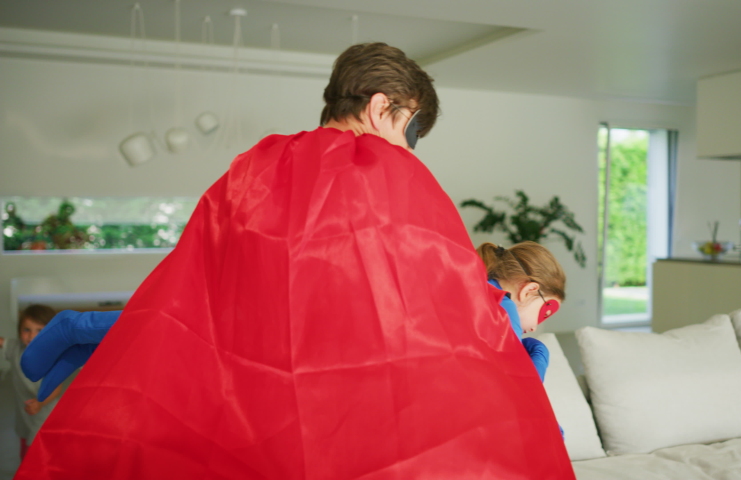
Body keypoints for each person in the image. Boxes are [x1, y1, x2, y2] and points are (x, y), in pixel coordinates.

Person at [17, 43, 573, 479]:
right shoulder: (390, 173)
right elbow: (429, 295)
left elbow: (201, 279)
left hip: (247, 377)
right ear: (383, 108)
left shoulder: (255, 163)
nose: (411, 147)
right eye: (413, 130)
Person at [477, 242, 564, 382]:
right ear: (529, 291)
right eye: (544, 313)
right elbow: (515, 389)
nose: (534, 327)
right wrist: (540, 359)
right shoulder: (505, 309)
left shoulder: (476, 287)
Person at [0, 305, 66, 461]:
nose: (31, 337)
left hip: (44, 413)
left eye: (39, 331)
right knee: (25, 447)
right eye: (26, 330)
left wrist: (40, 403)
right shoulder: (16, 348)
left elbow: (56, 387)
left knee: (38, 454)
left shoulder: (53, 355)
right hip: (25, 416)